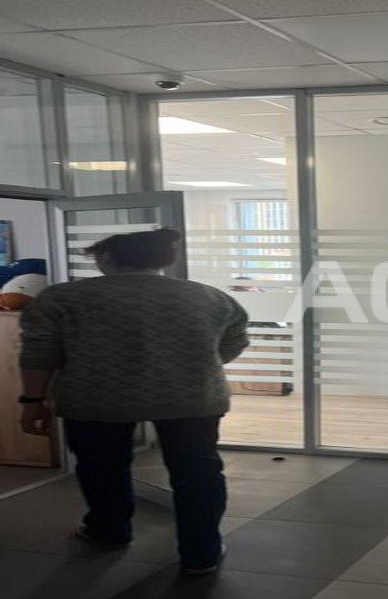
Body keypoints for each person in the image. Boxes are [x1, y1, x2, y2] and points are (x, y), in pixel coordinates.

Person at [17, 228, 248, 575]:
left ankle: (108, 532)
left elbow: (40, 353)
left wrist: (32, 401)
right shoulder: (209, 297)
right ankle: (202, 553)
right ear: (163, 259)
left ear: (107, 258)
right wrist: (186, 366)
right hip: (191, 397)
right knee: (197, 473)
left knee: (101, 468)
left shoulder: (63, 298)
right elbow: (233, 343)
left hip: (97, 397)